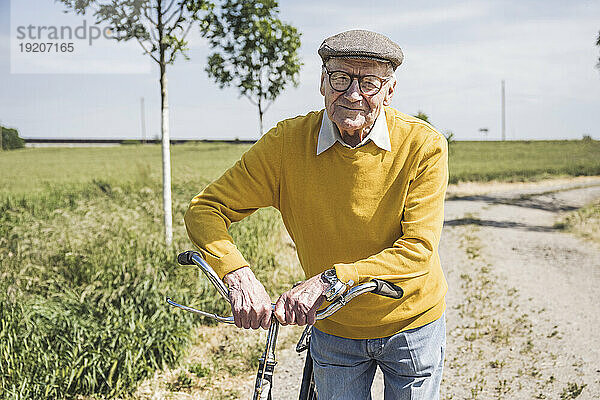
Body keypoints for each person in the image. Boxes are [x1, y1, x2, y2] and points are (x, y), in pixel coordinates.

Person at [184, 29, 448, 399]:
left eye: (370, 83)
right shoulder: (286, 144)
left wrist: (329, 281)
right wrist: (237, 275)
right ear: (322, 82)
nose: (353, 94)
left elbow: (417, 249)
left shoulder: (424, 145)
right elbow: (206, 209)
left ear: (390, 91)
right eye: (340, 78)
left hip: (411, 322)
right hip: (334, 327)